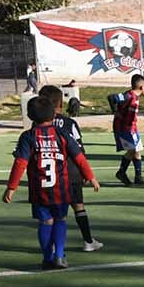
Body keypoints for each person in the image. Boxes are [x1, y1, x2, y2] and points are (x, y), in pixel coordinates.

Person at [3, 96, 100, 269]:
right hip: (62, 189)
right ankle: (60, 255)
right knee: (60, 219)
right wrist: (91, 176)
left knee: (46, 222)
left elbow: (20, 163)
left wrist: (11, 188)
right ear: (54, 114)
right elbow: (79, 157)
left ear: (30, 116)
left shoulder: (28, 136)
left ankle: (48, 257)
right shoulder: (62, 134)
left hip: (40, 190)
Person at [39, 85, 102, 252]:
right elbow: (79, 150)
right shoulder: (69, 123)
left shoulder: (38, 125)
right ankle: (88, 241)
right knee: (78, 206)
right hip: (71, 172)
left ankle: (52, 247)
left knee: (53, 213)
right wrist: (85, 172)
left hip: (50, 174)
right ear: (60, 103)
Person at [112, 74, 144, 186]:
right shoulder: (129, 96)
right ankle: (121, 172)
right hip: (124, 128)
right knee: (132, 150)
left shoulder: (136, 97)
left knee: (137, 149)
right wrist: (115, 111)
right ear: (141, 87)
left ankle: (138, 176)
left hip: (132, 127)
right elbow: (112, 97)